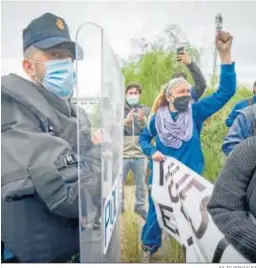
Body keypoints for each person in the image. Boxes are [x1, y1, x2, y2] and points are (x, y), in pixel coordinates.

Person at [1, 13, 101, 263]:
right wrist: (102, 155)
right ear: (29, 67)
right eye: (54, 55)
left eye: (68, 57)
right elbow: (68, 195)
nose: (65, 64)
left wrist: (90, 161)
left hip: (70, 249)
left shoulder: (71, 112)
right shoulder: (12, 109)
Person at [139, 30, 236, 263]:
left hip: (190, 179)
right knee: (155, 213)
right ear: (169, 96)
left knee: (193, 218)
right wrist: (153, 152)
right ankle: (148, 248)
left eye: (188, 91)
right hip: (164, 179)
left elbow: (225, 92)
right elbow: (143, 139)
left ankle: (189, 253)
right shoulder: (156, 119)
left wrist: (226, 55)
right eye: (181, 91)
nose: (186, 94)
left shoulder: (196, 112)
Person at [208, 137, 256, 262]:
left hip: (195, 163)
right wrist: (152, 151)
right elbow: (222, 206)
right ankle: (152, 245)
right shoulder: (250, 149)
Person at [122, 83, 150, 220]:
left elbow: (151, 130)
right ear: (126, 95)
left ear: (140, 95)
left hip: (139, 154)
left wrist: (144, 120)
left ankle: (139, 207)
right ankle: (119, 205)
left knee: (141, 184)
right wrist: (124, 121)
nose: (133, 95)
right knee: (118, 183)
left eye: (135, 93)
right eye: (130, 93)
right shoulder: (119, 109)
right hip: (123, 154)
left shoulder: (145, 110)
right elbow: (112, 129)